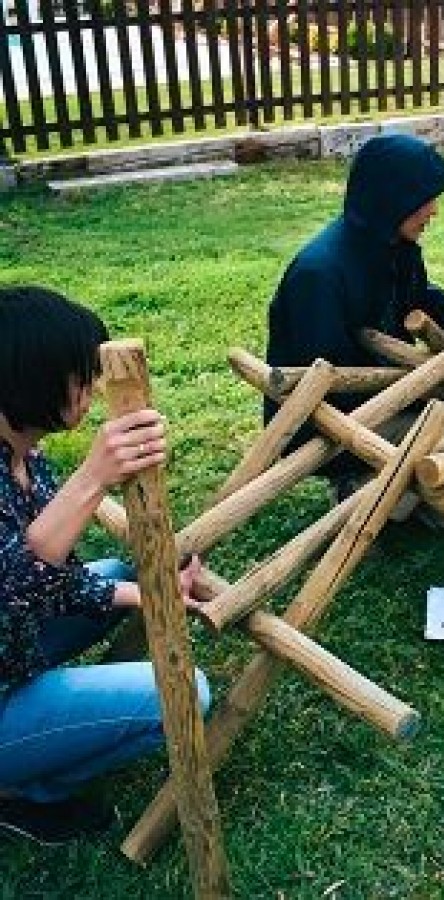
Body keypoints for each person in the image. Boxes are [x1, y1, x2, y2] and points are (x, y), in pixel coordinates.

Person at [0, 286, 210, 846]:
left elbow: (51, 582)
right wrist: (94, 476)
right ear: (32, 376)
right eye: (81, 376)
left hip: (11, 649)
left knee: (120, 574)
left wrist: (148, 595)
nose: (93, 389)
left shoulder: (25, 456)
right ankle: (20, 791)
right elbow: (12, 589)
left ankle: (33, 745)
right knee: (187, 694)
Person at [265, 132, 444, 476]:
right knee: (443, 426)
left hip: (389, 399)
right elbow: (330, 385)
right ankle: (358, 483)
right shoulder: (319, 275)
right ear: (393, 200)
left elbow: (426, 300)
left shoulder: (392, 247)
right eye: (425, 200)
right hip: (328, 429)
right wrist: (418, 390)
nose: (434, 210)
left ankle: (390, 487)